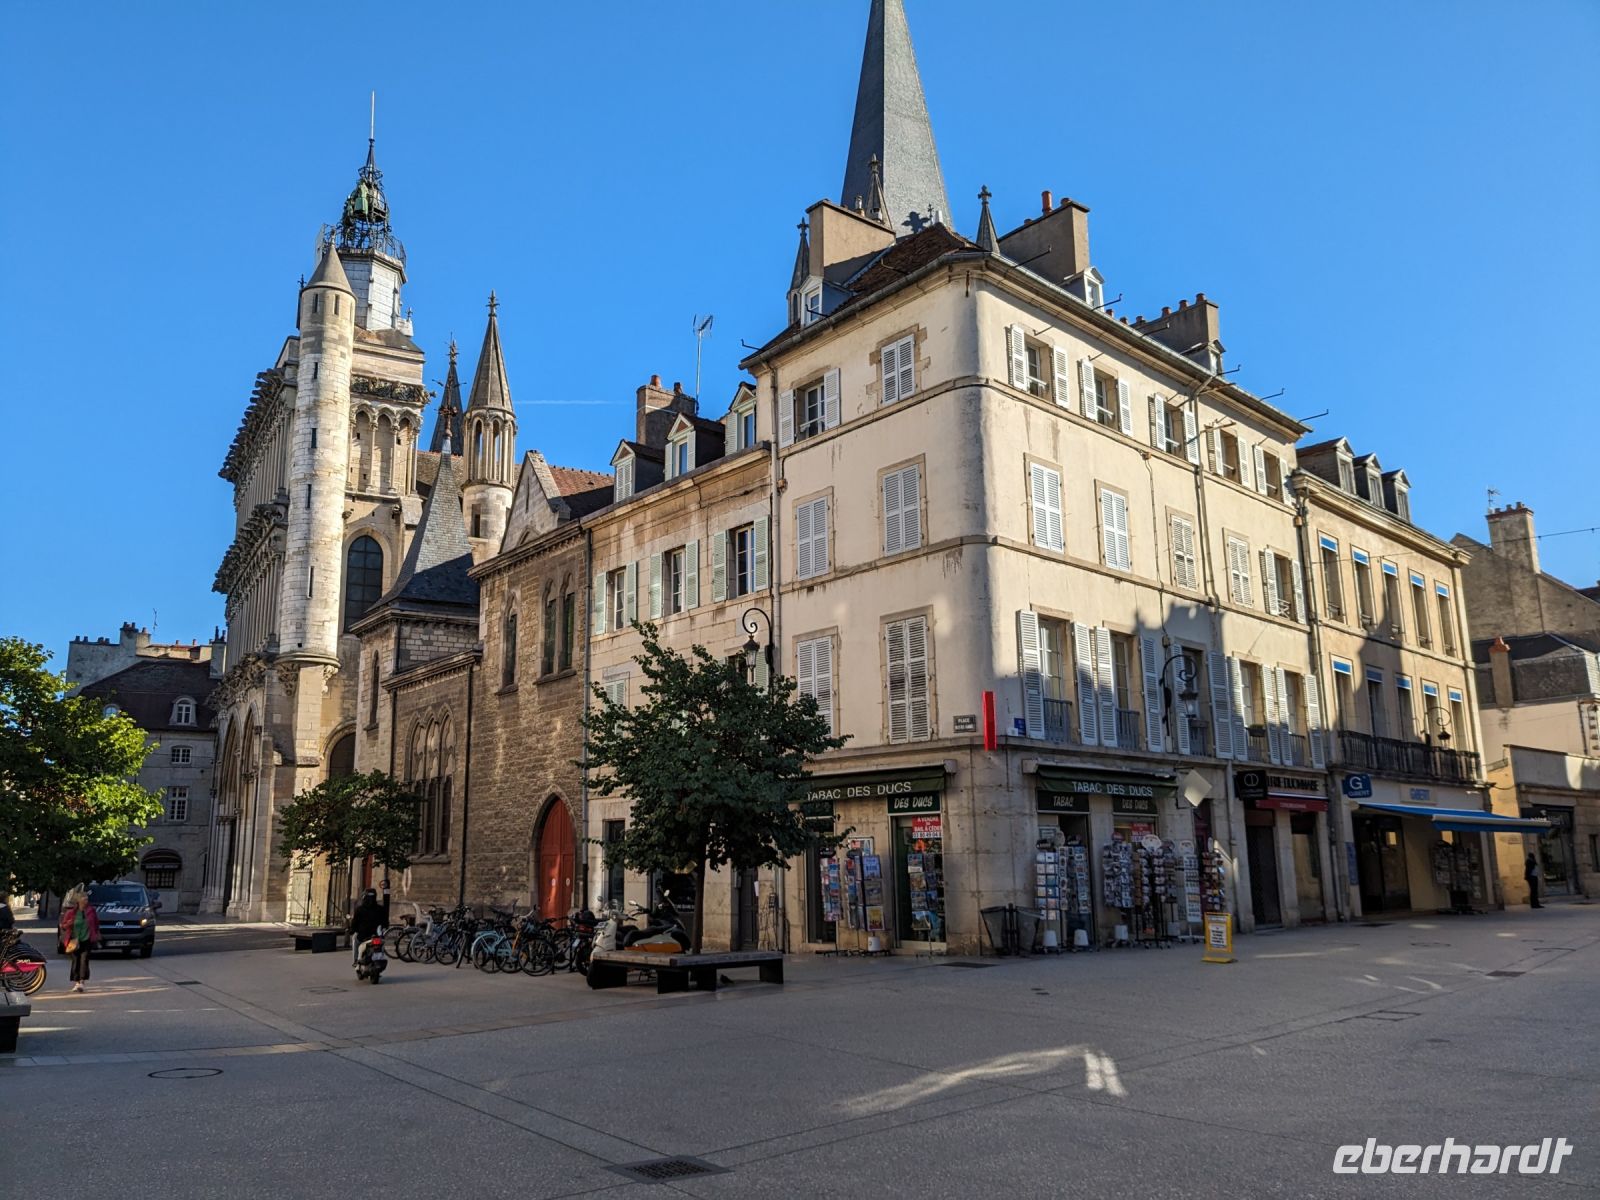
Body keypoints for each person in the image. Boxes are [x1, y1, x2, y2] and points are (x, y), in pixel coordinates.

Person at [59, 886, 100, 992]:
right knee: (75, 961)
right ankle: (76, 982)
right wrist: (69, 923)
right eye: (84, 899)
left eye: (87, 899)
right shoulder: (71, 913)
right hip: (74, 940)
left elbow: (95, 924)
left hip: (86, 939)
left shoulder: (91, 911)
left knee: (84, 960)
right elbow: (63, 926)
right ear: (79, 900)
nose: (86, 900)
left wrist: (96, 934)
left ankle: (82, 982)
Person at [348, 881, 390, 965]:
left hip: (363, 935)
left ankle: (356, 960)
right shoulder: (380, 909)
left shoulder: (360, 909)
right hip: (377, 934)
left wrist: (352, 930)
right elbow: (385, 922)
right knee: (381, 943)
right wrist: (384, 927)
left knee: (355, 940)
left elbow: (355, 922)